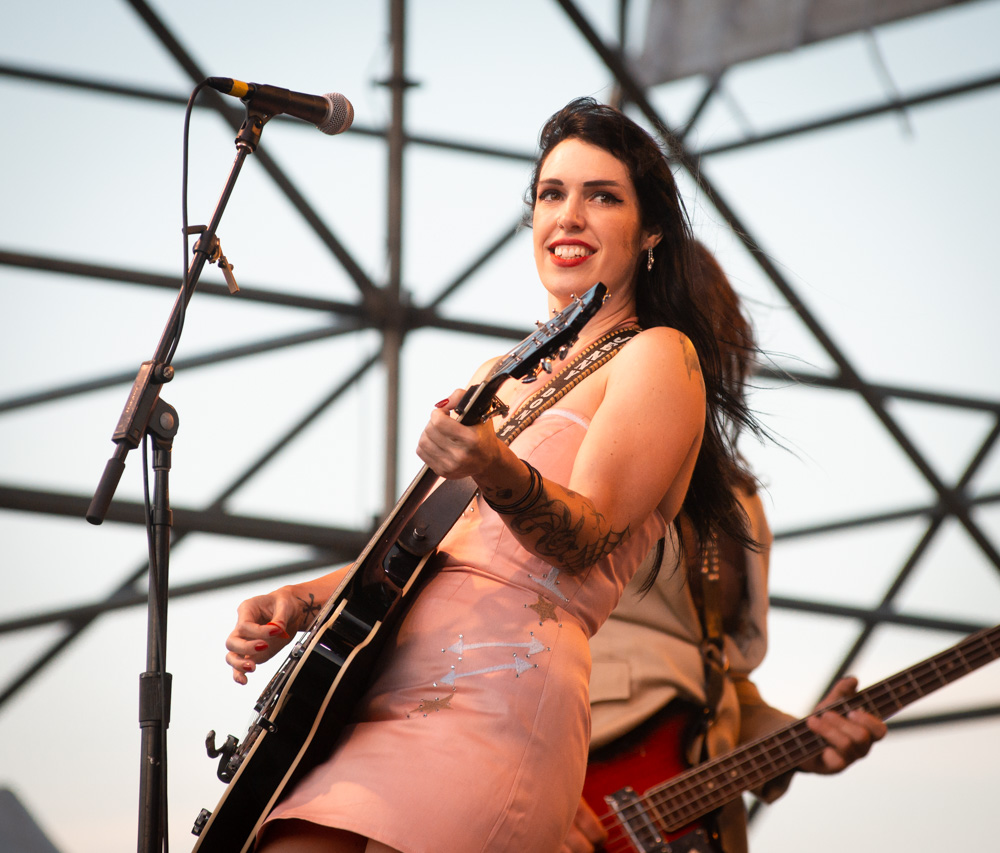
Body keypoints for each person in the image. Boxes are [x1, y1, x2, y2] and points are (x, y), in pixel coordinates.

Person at [222, 98, 752, 853]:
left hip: (501, 697)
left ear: (652, 231)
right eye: (551, 194)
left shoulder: (659, 355)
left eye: (602, 196)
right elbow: (429, 551)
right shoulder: (495, 375)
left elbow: (587, 537)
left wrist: (497, 465)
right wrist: (301, 599)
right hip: (377, 693)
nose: (569, 215)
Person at [560, 242, 888, 853]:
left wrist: (803, 742)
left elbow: (725, 684)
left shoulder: (739, 502)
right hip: (555, 785)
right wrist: (530, 788)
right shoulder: (556, 453)